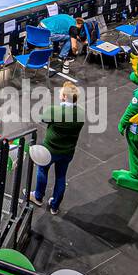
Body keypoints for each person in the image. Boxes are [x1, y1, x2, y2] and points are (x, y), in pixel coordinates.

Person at [27, 82, 85, 215]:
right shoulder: (81, 113)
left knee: (42, 170)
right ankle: (54, 206)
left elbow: (42, 119)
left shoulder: (55, 110)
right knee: (61, 177)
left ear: (64, 97)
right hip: (68, 151)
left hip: (50, 150)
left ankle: (38, 197)